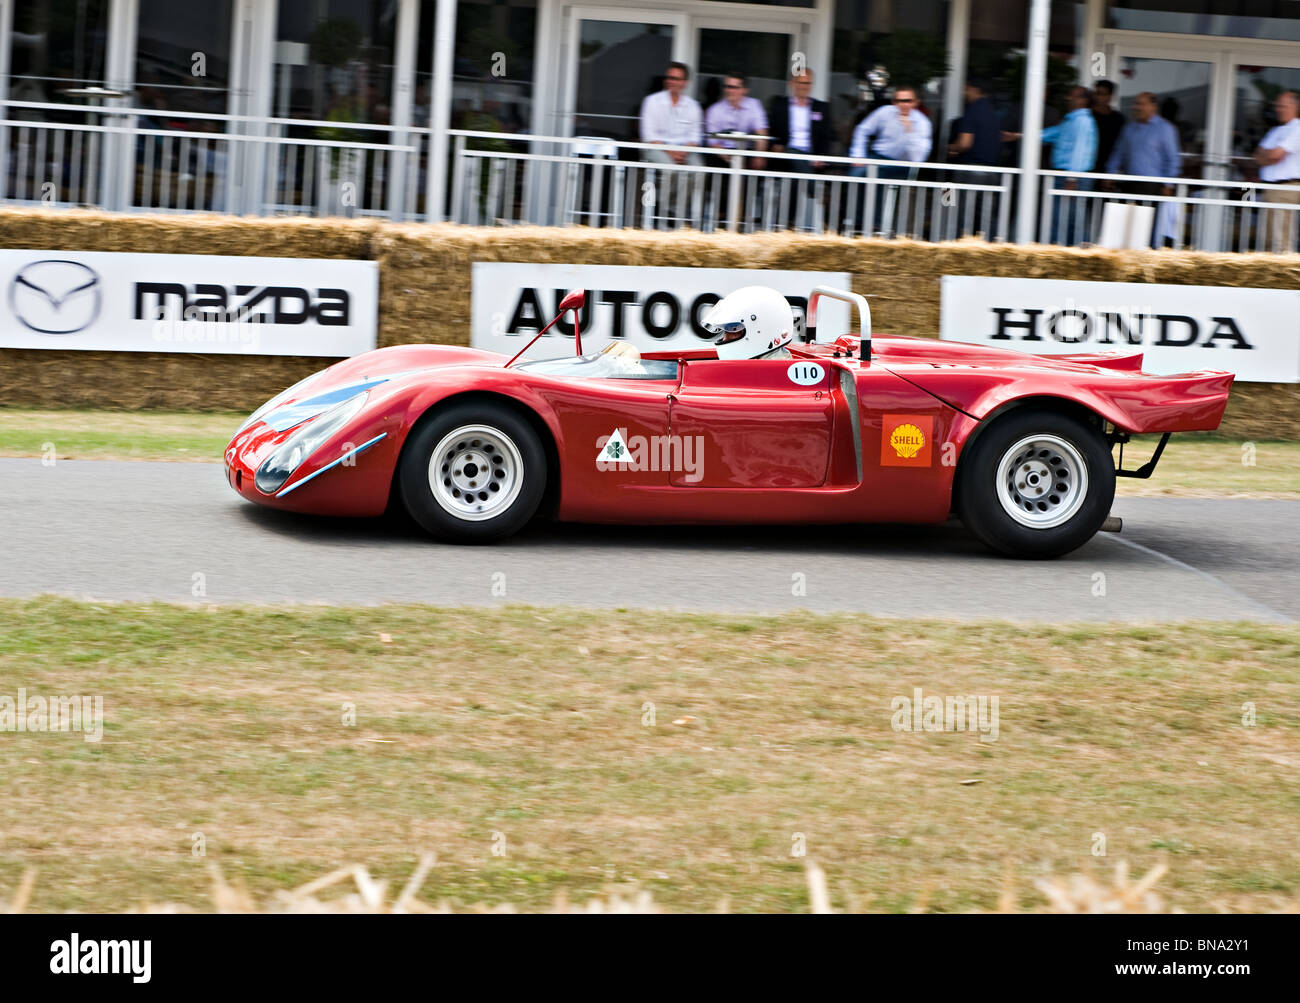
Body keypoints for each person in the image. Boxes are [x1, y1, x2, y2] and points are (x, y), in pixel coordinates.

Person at [848, 84, 932, 234]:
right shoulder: (884, 112)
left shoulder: (922, 123)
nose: (903, 105)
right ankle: (856, 222)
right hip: (879, 157)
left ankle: (877, 226)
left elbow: (918, 158)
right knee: (856, 174)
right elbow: (862, 129)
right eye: (899, 101)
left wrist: (909, 131)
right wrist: (858, 155)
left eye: (907, 101)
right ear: (894, 102)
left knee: (877, 177)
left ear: (915, 102)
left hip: (904, 165)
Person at [1105, 91, 1181, 247]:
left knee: (1149, 227)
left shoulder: (1165, 129)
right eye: (1135, 103)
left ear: (1153, 106)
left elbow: (1172, 159)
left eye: (1140, 104)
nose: (1135, 107)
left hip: (1151, 186)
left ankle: (1148, 258)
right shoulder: (1129, 128)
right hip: (1128, 183)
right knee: (1127, 227)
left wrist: (1168, 184)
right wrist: (1109, 174)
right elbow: (1118, 153)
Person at [767, 69, 832, 230]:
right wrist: (775, 145)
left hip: (811, 158)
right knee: (793, 155)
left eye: (808, 83)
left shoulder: (821, 107)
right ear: (792, 84)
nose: (805, 86)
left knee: (796, 178)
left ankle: (788, 224)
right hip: (785, 155)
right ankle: (818, 194)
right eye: (802, 82)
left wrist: (821, 156)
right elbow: (772, 131)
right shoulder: (780, 105)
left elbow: (827, 136)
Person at [639, 62, 704, 222]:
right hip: (655, 147)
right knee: (671, 169)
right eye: (669, 77)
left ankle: (674, 210)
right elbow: (649, 135)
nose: (671, 81)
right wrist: (672, 152)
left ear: (685, 83)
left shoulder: (693, 106)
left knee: (699, 170)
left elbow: (695, 136)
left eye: (676, 78)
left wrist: (684, 152)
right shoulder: (652, 101)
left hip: (684, 150)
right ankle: (661, 208)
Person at [1040, 85, 1098, 245]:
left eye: (1072, 96)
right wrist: (1020, 135)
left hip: (1073, 178)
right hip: (1067, 177)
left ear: (1083, 100)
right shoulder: (1071, 120)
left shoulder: (1083, 121)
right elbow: (1050, 134)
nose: (1068, 98)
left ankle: (1081, 257)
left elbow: (1080, 151)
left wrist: (1072, 178)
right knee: (1064, 220)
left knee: (1072, 221)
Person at [1254, 90, 1300, 254]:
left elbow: (1275, 155)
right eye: (1278, 106)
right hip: (1270, 189)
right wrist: (1269, 156)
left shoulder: (1297, 128)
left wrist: (1268, 155)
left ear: (1294, 106)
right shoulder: (1275, 131)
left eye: (1282, 106)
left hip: (1285, 190)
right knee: (1267, 240)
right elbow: (1258, 156)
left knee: (1281, 242)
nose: (1278, 109)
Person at [700, 286, 795, 360]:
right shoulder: (757, 368)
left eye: (734, 330)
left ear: (760, 331)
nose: (725, 339)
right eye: (725, 332)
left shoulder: (774, 376)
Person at [1090, 79, 1125, 174]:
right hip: (1088, 168)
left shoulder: (1118, 118)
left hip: (1109, 169)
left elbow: (1120, 146)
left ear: (1110, 97)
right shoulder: (1088, 116)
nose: (1097, 97)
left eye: (1101, 94)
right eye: (1096, 93)